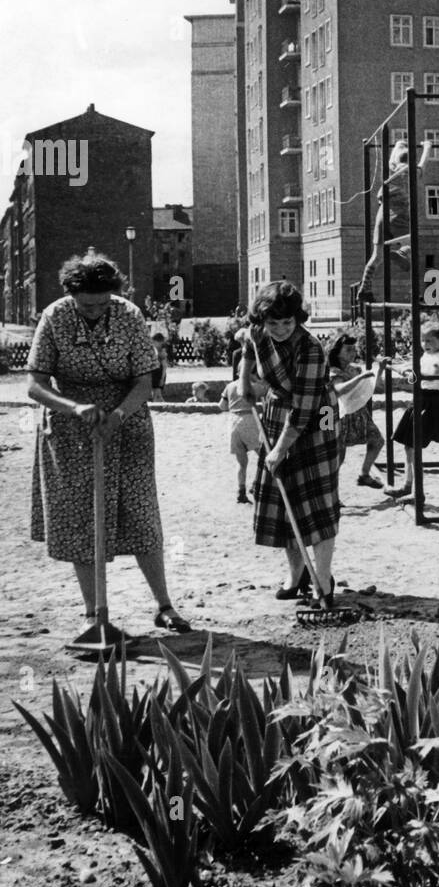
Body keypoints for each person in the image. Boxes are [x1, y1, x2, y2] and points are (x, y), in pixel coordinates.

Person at [26, 252, 190, 633]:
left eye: (102, 303)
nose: (95, 311)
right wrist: (75, 408)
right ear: (72, 295)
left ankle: (164, 605)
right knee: (83, 520)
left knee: (141, 514)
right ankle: (93, 616)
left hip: (127, 421)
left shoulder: (129, 315)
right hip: (71, 430)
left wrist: (117, 415)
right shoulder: (54, 317)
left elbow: (144, 382)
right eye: (87, 304)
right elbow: (35, 384)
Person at [238, 280, 340, 604]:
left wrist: (280, 449)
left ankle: (322, 581)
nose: (280, 329)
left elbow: (304, 409)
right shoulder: (256, 331)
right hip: (277, 406)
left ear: (297, 318)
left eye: (287, 322)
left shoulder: (310, 348)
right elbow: (245, 348)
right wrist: (244, 380)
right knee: (284, 500)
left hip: (319, 410)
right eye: (273, 323)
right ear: (262, 321)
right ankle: (296, 574)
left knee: (317, 499)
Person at [357, 138, 432, 303]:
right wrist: (427, 146)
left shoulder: (391, 171)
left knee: (376, 256)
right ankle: (400, 254)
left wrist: (400, 144)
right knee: (410, 243)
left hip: (382, 214)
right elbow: (423, 162)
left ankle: (364, 290)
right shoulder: (413, 171)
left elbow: (392, 158)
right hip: (399, 213)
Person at [383, 322, 439, 502]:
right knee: (409, 446)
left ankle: (418, 492)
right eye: (423, 340)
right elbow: (417, 372)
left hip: (432, 402)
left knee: (415, 448)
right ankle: (408, 485)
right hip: (420, 398)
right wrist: (398, 367)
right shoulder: (426, 355)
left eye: (429, 340)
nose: (425, 344)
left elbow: (433, 373)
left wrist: (413, 372)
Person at [327, 331, 387, 488]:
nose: (352, 353)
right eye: (348, 350)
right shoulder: (334, 371)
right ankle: (332, 495)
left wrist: (380, 370)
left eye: (353, 349)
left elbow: (379, 388)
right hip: (339, 416)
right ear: (337, 352)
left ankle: (364, 474)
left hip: (360, 414)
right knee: (337, 459)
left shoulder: (354, 369)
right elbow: (339, 389)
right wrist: (360, 378)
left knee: (377, 440)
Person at [218, 372, 266, 504]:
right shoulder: (255, 387)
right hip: (249, 419)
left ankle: (241, 491)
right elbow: (268, 392)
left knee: (241, 462)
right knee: (263, 455)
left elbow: (222, 406)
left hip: (233, 422)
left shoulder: (230, 386)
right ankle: (256, 483)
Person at [150, 332, 169, 401]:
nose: (153, 343)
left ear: (159, 342)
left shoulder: (162, 352)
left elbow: (164, 365)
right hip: (156, 373)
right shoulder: (156, 351)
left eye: (154, 342)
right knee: (156, 393)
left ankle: (159, 405)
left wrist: (162, 378)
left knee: (156, 393)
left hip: (159, 374)